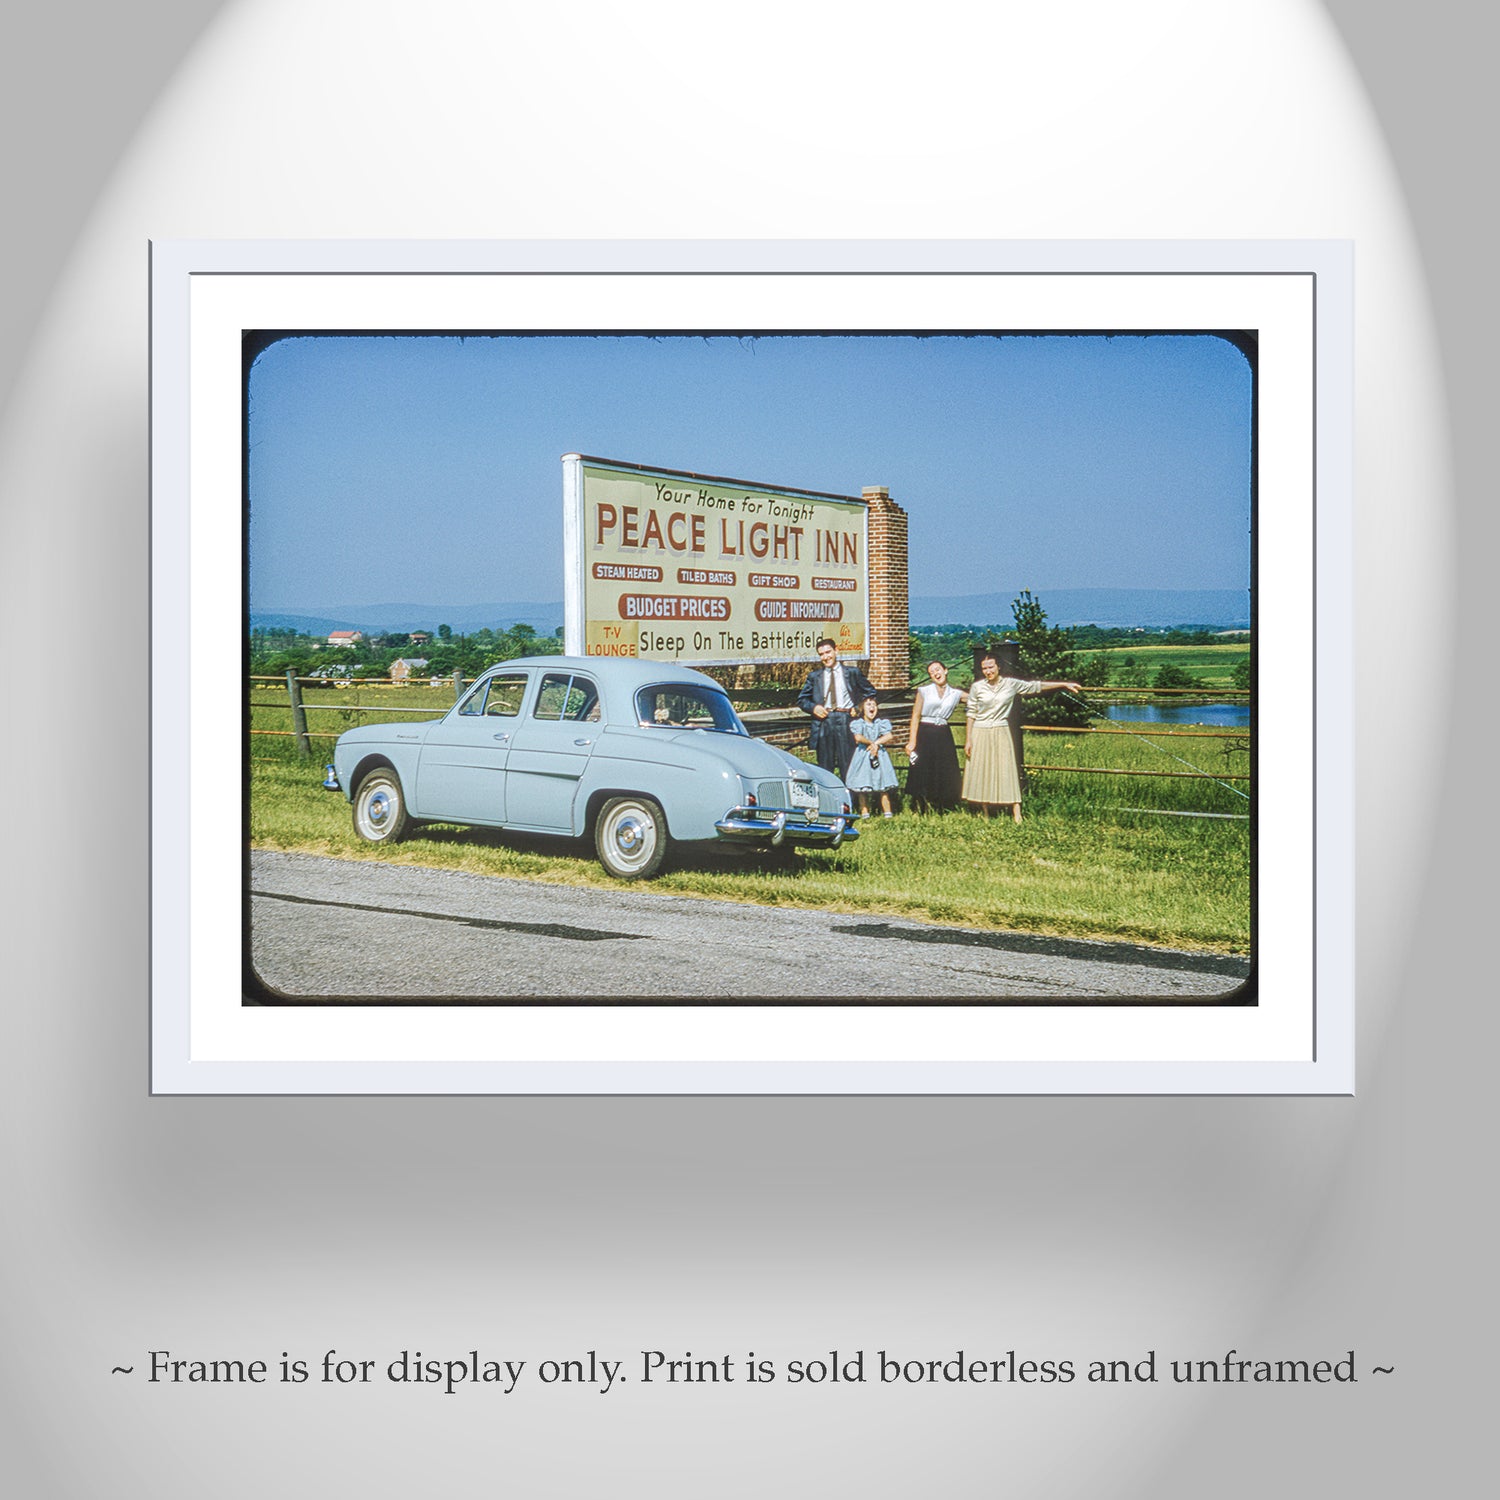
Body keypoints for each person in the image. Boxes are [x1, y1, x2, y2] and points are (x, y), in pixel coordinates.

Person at [961, 655, 1081, 823]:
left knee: (1006, 769)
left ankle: (1017, 813)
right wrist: (969, 739)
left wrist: (1064, 684)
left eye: (991, 667)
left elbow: (1036, 686)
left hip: (1001, 730)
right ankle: (985, 812)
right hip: (980, 731)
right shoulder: (977, 687)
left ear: (998, 667)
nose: (988, 671)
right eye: (985, 668)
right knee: (982, 769)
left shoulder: (1011, 684)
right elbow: (971, 713)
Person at [796, 637, 875, 781]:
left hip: (846, 720)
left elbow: (870, 692)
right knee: (825, 765)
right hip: (824, 722)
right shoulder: (814, 677)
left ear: (836, 650)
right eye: (821, 654)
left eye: (828, 652)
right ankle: (830, 800)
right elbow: (802, 700)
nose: (826, 657)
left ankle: (851, 800)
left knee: (848, 763)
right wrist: (814, 708)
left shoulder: (852, 673)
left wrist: (858, 708)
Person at [903, 658, 968, 812]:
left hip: (943, 733)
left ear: (945, 670)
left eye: (938, 669)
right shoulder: (924, 691)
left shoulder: (956, 694)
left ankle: (944, 805)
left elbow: (978, 698)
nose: (935, 674)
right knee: (922, 767)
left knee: (944, 767)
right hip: (925, 733)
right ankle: (920, 805)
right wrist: (912, 741)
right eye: (931, 672)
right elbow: (916, 716)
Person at [845, 695, 899, 818]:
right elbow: (858, 737)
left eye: (874, 705)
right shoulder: (859, 724)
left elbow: (888, 736)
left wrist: (876, 744)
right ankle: (865, 812)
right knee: (863, 785)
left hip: (879, 755)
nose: (872, 707)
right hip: (864, 755)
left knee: (883, 785)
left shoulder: (880, 723)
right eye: (868, 705)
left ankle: (887, 812)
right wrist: (870, 743)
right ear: (862, 708)